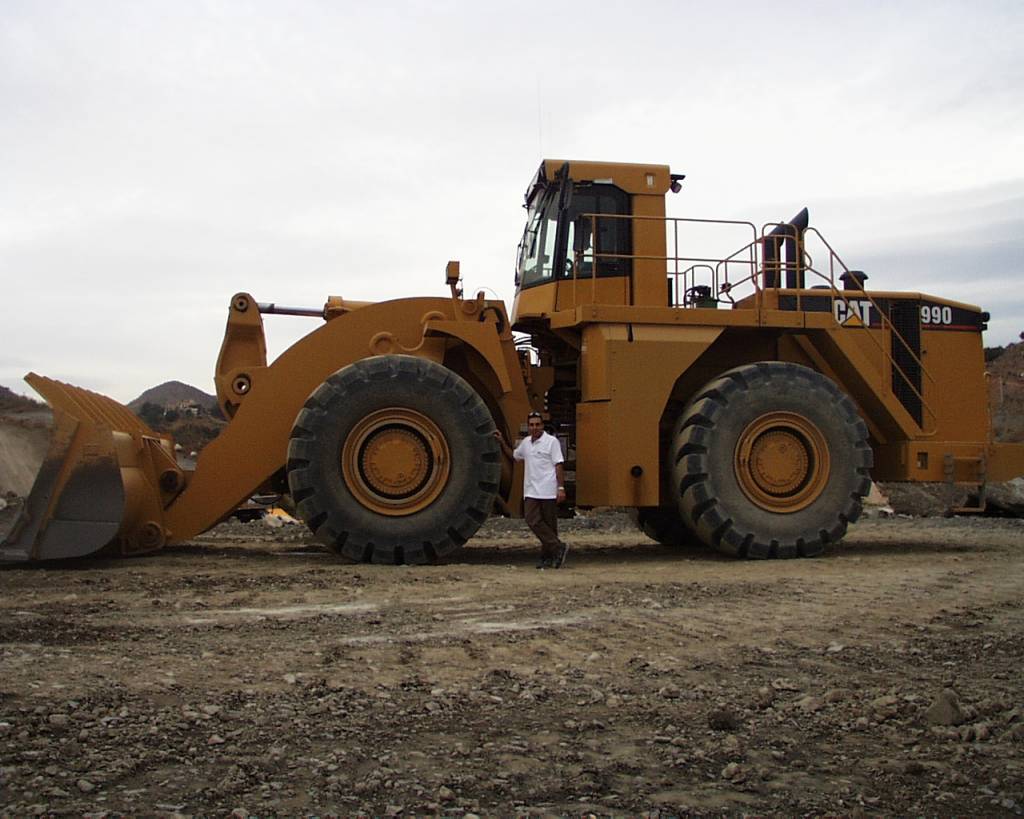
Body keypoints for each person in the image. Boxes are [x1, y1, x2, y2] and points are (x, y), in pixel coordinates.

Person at [495, 412, 569, 569]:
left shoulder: (551, 442)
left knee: (549, 524)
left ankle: (548, 557)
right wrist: (501, 442)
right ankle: (558, 546)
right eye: (532, 425)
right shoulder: (526, 443)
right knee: (531, 519)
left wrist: (561, 488)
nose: (534, 427)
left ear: (542, 426)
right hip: (531, 490)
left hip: (548, 489)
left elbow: (558, 465)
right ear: (528, 427)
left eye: (537, 424)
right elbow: (515, 456)